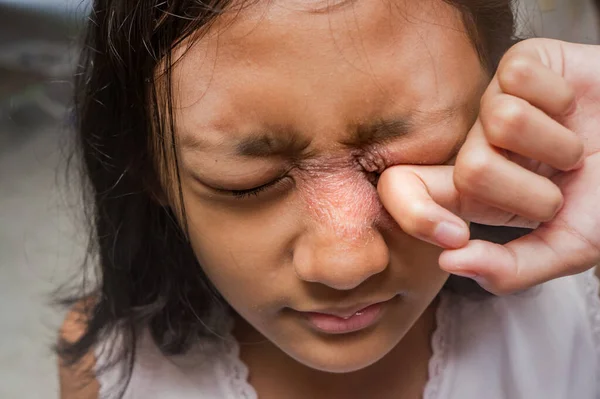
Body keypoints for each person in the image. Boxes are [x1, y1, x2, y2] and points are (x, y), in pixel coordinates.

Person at [57, 0, 600, 398]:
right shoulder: (111, 374)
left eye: (412, 156)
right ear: (148, 167)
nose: (346, 264)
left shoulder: (575, 305)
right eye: (244, 182)